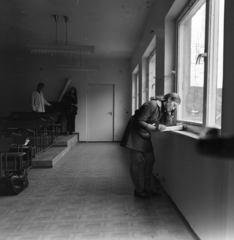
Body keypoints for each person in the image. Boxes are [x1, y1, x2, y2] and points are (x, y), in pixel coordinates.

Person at [120, 93, 181, 199]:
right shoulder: (152, 104)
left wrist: (170, 112)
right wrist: (155, 128)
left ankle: (148, 188)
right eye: (174, 105)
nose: (174, 107)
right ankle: (138, 190)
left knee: (150, 160)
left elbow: (166, 124)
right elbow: (140, 121)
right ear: (169, 100)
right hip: (135, 131)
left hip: (144, 133)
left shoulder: (163, 108)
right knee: (136, 161)